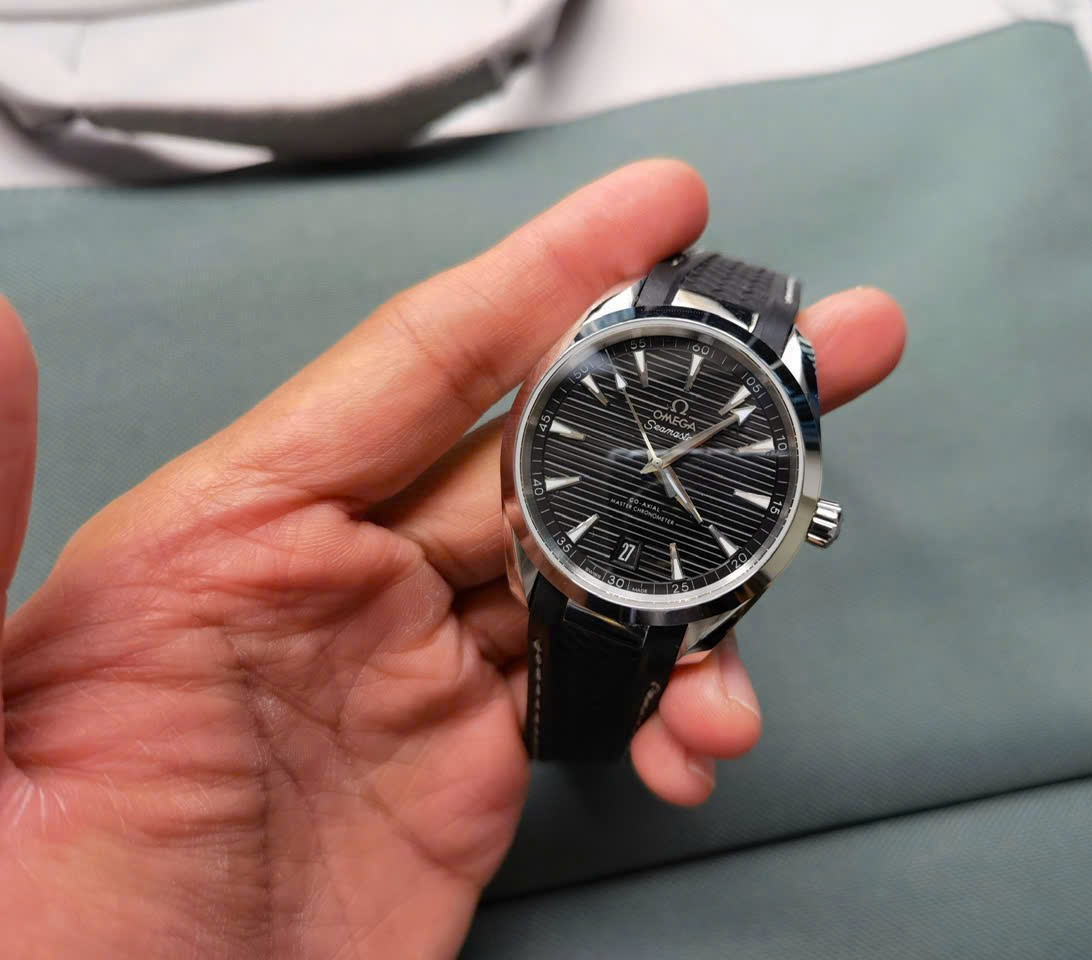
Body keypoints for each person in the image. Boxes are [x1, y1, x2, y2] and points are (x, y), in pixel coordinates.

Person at [0, 160, 905, 957]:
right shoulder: (570, 423)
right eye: (657, 453)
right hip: (567, 551)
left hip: (640, 574)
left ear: (804, 519)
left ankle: (578, 730)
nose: (660, 464)